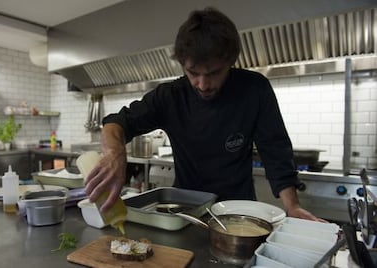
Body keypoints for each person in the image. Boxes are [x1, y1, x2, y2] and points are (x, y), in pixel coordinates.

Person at [85, 7, 325, 222]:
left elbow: (275, 150)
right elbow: (116, 124)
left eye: (213, 73)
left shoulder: (254, 89)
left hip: (238, 213)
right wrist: (115, 153)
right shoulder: (171, 96)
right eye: (192, 73)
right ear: (183, 65)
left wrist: (292, 206)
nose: (202, 84)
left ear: (230, 61)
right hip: (185, 215)